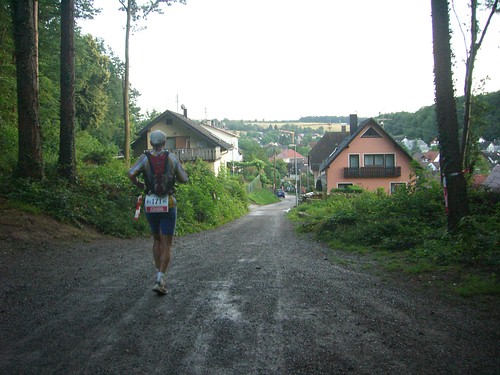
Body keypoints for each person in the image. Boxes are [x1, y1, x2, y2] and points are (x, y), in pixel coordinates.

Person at [128, 129, 188, 295]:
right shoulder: (172, 157)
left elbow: (131, 173)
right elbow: (184, 179)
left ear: (151, 143)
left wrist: (140, 184)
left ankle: (158, 272)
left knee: (156, 240)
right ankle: (160, 278)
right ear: (164, 142)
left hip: (149, 201)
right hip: (168, 202)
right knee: (167, 242)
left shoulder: (144, 158)